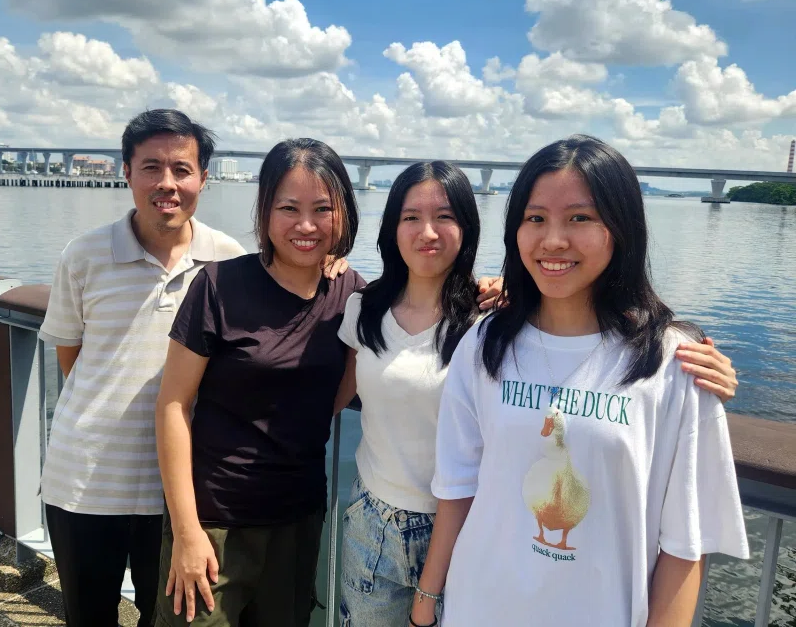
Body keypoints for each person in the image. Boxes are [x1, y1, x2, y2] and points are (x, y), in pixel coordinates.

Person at [331, 160, 742, 627]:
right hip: (385, 522)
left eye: (580, 217)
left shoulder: (484, 324)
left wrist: (689, 371)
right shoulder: (448, 331)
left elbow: (686, 542)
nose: (553, 239)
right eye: (536, 218)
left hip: (461, 542)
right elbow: (344, 392)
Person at [37, 111, 349, 626]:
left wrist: (327, 262)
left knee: (160, 616)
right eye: (151, 167)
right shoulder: (84, 255)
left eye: (181, 169)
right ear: (126, 172)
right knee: (87, 615)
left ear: (203, 177)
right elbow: (70, 355)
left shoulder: (225, 259)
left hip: (187, 492)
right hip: (90, 480)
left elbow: (279, 298)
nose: (167, 184)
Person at [155, 138, 365, 627]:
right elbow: (172, 405)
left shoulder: (351, 293)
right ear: (265, 211)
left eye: (322, 209)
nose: (306, 225)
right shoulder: (219, 286)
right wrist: (186, 530)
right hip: (214, 522)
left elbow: (417, 311)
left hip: (297, 519)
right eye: (288, 208)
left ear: (343, 215)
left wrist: (491, 290)